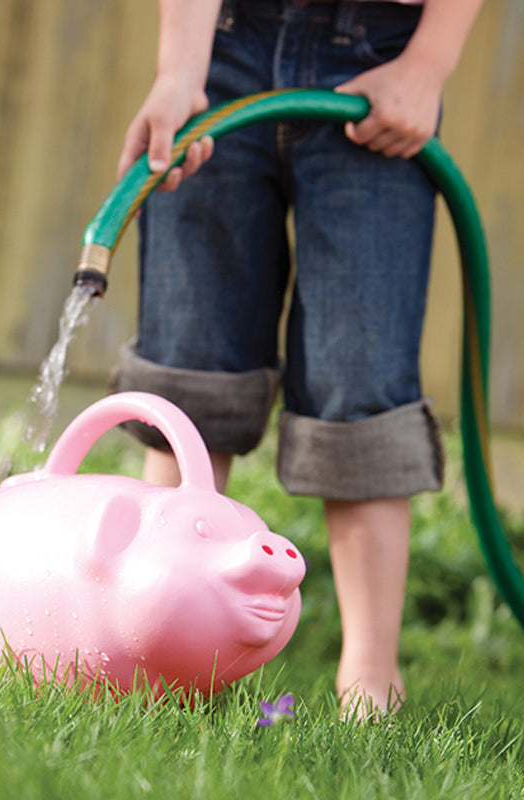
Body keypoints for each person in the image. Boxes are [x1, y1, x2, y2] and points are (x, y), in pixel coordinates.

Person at [111, 0, 484, 718]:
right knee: (191, 363)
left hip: (379, 67)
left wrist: (427, 65)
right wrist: (179, 71)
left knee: (361, 377)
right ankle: (158, 643)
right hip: (224, 48)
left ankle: (370, 680)